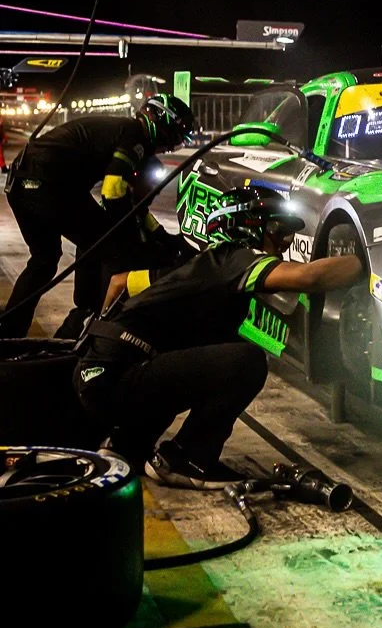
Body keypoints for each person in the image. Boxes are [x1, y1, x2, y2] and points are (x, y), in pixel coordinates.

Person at [74, 186, 364, 490]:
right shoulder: (236, 259)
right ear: (248, 227)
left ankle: (126, 443)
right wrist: (367, 259)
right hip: (116, 380)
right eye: (279, 230)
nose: (284, 242)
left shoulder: (200, 263)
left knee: (195, 358)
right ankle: (187, 458)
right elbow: (310, 277)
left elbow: (119, 281)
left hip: (101, 375)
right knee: (247, 360)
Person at [0, 94, 195, 339]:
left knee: (44, 260)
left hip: (21, 185)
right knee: (109, 245)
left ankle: (9, 332)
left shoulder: (119, 130)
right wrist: (135, 238)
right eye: (175, 137)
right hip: (50, 185)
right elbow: (112, 193)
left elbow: (133, 206)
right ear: (162, 121)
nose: (170, 146)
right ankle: (89, 323)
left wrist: (162, 236)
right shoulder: (135, 134)